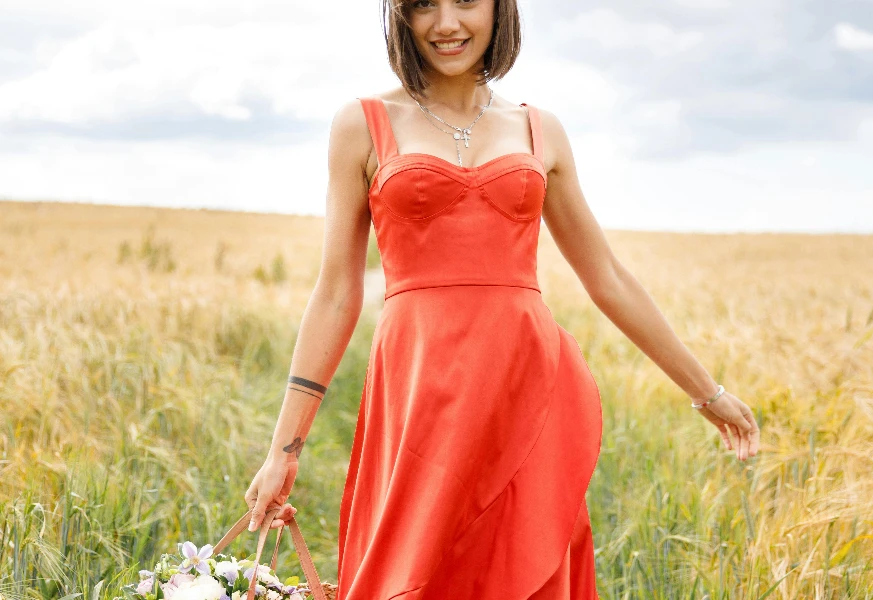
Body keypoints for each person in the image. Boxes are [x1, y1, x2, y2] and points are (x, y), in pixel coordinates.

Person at [244, 0, 761, 597]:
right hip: (419, 393)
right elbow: (336, 293)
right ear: (401, 17)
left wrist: (707, 392)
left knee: (521, 568)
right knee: (411, 569)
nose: (446, 24)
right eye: (423, 6)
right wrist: (285, 449)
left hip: (527, 391)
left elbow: (608, 278)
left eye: (466, 1)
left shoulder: (540, 128)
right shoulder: (361, 123)